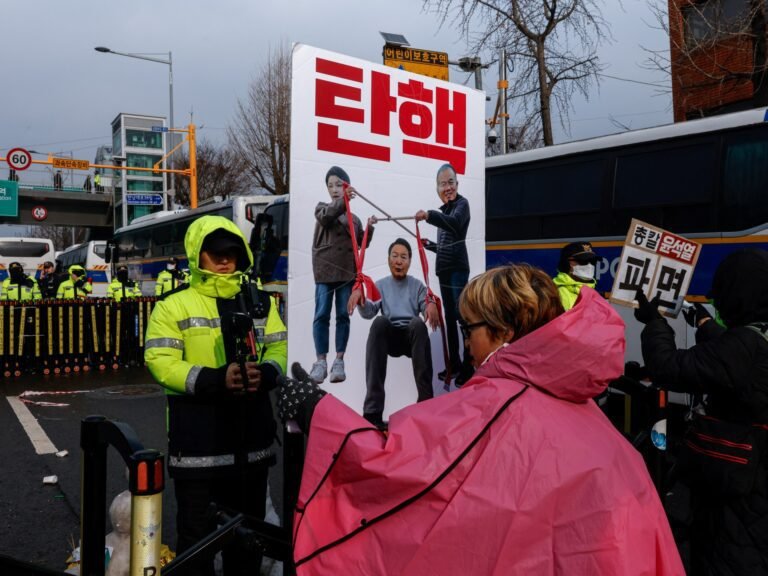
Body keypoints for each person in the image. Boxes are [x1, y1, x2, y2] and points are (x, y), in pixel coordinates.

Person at [277, 264, 684, 575]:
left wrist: (316, 409)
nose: (466, 340)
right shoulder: (589, 411)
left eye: (468, 327)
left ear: (503, 332)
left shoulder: (494, 404)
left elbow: (390, 468)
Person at [144, 215, 287, 576]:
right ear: (198, 255)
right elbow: (160, 362)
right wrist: (215, 379)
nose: (224, 259)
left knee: (248, 543)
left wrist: (266, 373)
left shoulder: (261, 304)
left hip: (251, 446)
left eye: (232, 252)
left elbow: (280, 349)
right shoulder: (172, 305)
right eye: (215, 252)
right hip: (198, 449)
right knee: (196, 547)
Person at [635, 248, 768, 575]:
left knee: (727, 558)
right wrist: (706, 324)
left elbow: (668, 367)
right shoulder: (756, 337)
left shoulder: (742, 346)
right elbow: (733, 361)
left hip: (737, 489)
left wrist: (655, 322)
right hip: (758, 478)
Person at [347, 238, 439, 429]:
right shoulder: (380, 285)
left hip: (411, 336)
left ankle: (426, 405)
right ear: (389, 260)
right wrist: (361, 299)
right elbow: (370, 312)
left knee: (417, 323)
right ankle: (372, 412)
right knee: (379, 322)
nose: (399, 261)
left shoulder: (417, 285)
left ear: (410, 261)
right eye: (395, 256)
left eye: (403, 257)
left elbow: (425, 305)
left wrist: (431, 304)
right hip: (389, 337)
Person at [309, 166, 374, 385]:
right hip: (325, 271)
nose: (334, 189)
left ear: (347, 186)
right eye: (330, 185)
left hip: (346, 271)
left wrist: (370, 227)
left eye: (339, 185)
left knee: (343, 316)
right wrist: (342, 202)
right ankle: (320, 361)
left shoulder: (354, 219)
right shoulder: (322, 208)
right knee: (321, 315)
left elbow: (362, 243)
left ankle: (339, 360)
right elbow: (327, 217)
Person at [415, 163, 472, 386]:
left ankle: (468, 366)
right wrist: (429, 245)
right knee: (449, 318)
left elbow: (456, 225)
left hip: (458, 268)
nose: (447, 187)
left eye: (450, 182)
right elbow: (445, 246)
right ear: (437, 188)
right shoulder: (445, 211)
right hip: (445, 269)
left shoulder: (461, 205)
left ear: (457, 184)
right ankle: (454, 364)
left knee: (463, 318)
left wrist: (430, 215)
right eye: (442, 184)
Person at [553, 241, 602, 310]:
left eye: (592, 261)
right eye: (583, 261)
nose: (589, 265)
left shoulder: (594, 294)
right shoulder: (554, 294)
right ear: (566, 264)